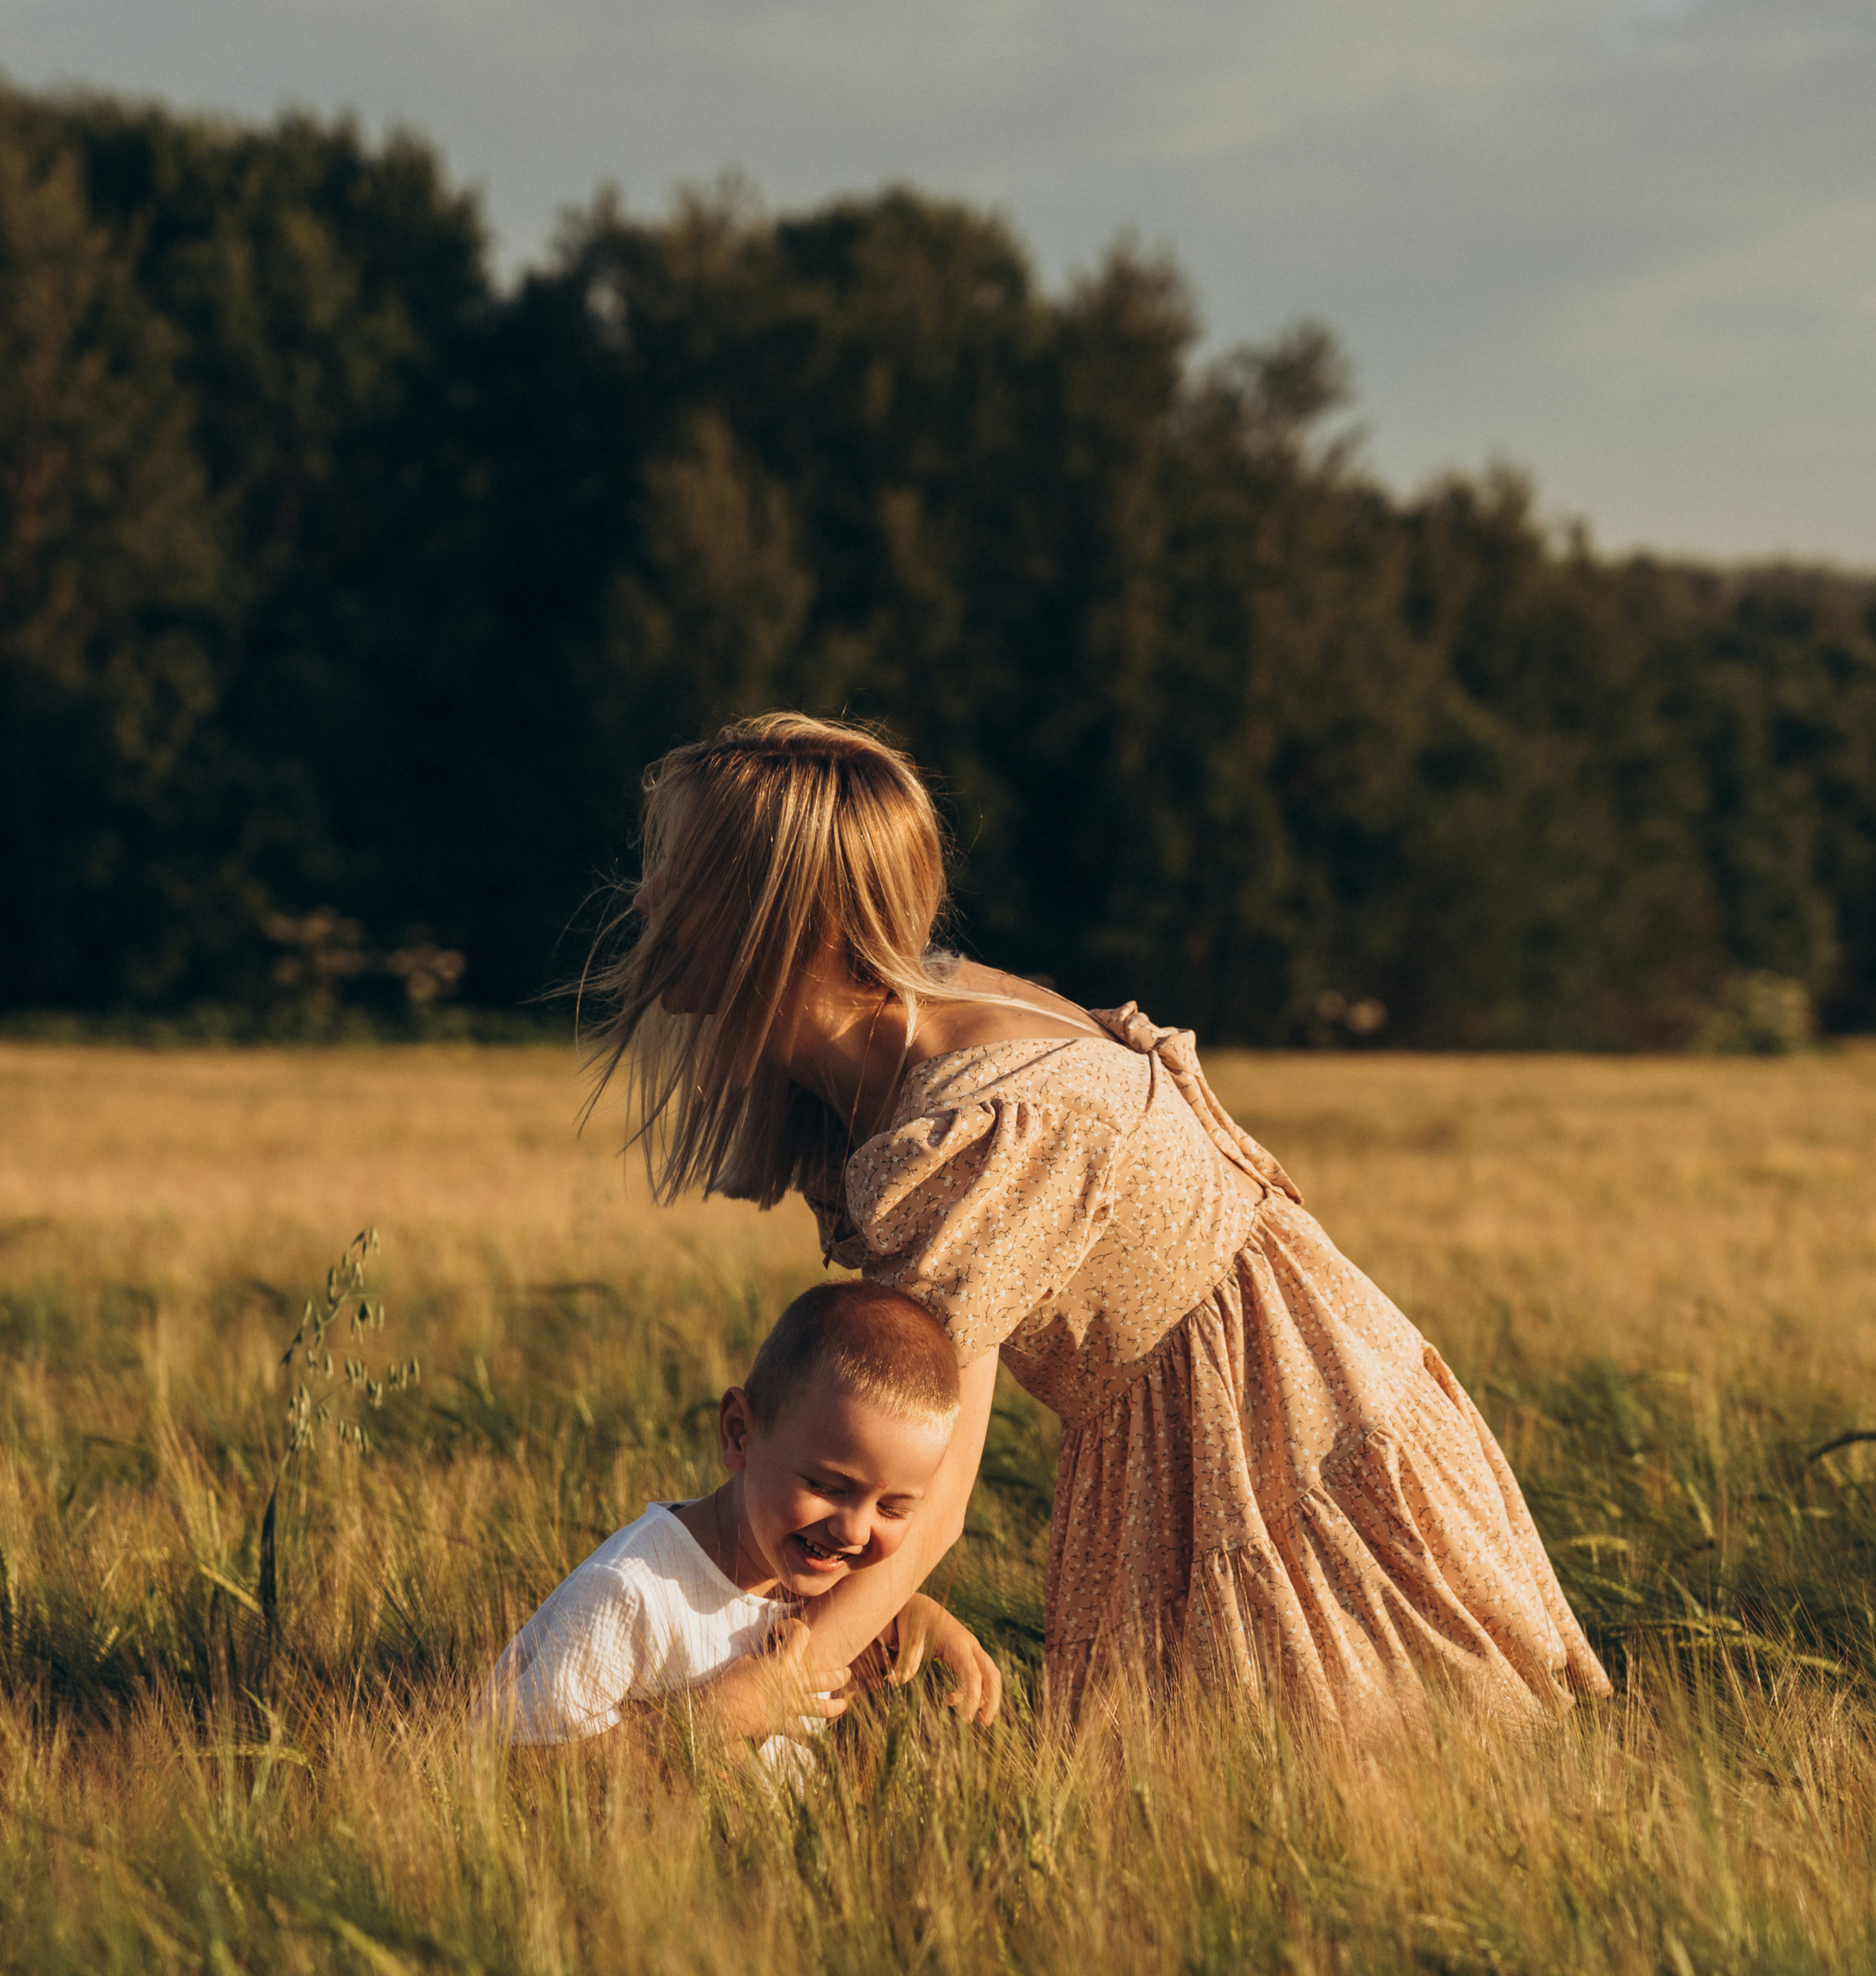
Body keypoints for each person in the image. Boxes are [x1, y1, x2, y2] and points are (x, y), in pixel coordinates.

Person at [580, 710, 1612, 1737]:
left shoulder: (976, 1116)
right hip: (1204, 1419)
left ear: (795, 921)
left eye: (682, 878)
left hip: (1269, 1431)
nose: (645, 900)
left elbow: (928, 1486)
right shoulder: (881, 1054)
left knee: (1348, 1780)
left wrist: (737, 1705)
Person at [481, 1276, 1002, 1760]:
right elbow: (516, 1770)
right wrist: (713, 1717)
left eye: (892, 1508)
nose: (854, 1530)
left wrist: (901, 1617)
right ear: (737, 1432)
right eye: (825, 1486)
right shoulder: (630, 1593)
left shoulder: (810, 1582)